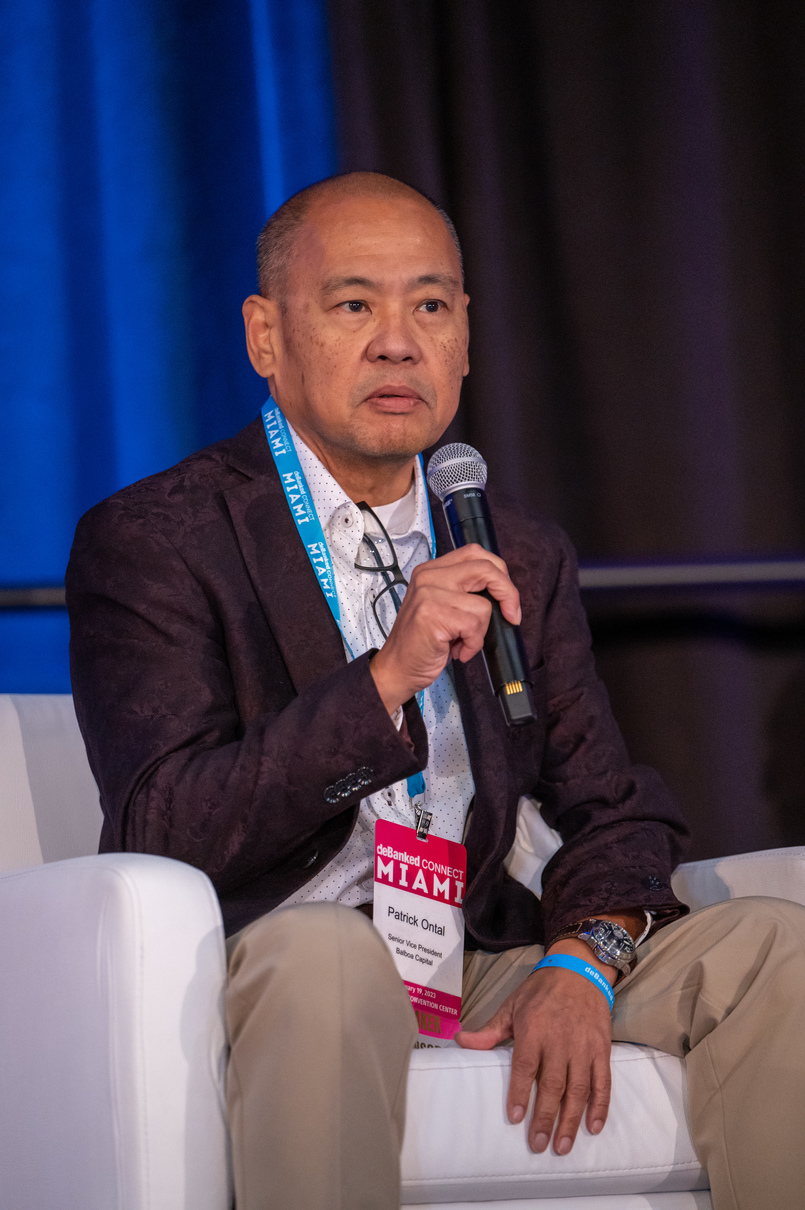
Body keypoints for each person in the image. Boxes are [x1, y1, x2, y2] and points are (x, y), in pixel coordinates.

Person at [66, 171, 805, 1210]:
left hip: (469, 954)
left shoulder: (514, 549)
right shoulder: (159, 538)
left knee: (774, 944)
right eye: (352, 304)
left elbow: (611, 807)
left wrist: (581, 960)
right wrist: (385, 680)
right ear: (266, 336)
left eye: (429, 306)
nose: (397, 343)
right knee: (330, 957)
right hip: (276, 952)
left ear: (464, 337)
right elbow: (163, 825)